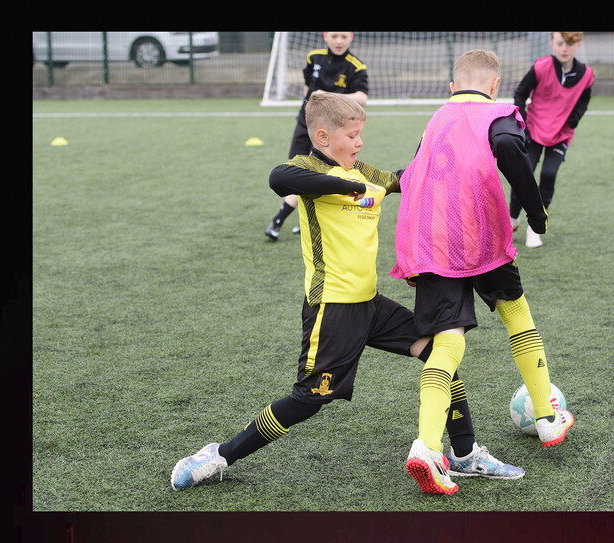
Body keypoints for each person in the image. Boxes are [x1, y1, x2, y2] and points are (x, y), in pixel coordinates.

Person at [171, 92, 524, 493]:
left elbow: (408, 177)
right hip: (333, 309)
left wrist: (450, 155)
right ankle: (218, 455)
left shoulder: (366, 174)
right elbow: (278, 178)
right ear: (323, 136)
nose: (360, 143)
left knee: (441, 354)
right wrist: (340, 186)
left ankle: (464, 454)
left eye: (361, 135)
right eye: (353, 136)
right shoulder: (308, 170)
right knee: (308, 399)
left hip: (371, 305)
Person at [391, 49, 575, 496]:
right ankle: (547, 418)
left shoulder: (436, 118)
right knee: (516, 315)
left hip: (431, 240)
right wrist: (536, 212)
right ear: (494, 86)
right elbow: (511, 147)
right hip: (481, 239)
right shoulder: (499, 113)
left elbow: (414, 171)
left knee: (448, 342)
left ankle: (426, 447)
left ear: (452, 88)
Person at [264, 31, 369, 241]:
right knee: (296, 168)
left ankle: (279, 219)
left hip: (332, 132)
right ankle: (302, 219)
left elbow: (362, 97)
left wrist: (327, 96)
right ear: (325, 36)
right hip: (305, 124)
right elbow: (307, 88)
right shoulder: (314, 57)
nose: (339, 41)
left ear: (352, 38)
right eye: (334, 36)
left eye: (344, 37)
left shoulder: (356, 66)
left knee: (321, 174)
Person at [509, 32, 594, 248]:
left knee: (548, 175)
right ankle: (512, 218)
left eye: (569, 44)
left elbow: (584, 98)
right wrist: (524, 124)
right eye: (560, 43)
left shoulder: (586, 75)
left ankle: (534, 228)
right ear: (552, 44)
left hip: (562, 134)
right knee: (524, 174)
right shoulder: (541, 67)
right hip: (534, 130)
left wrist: (574, 119)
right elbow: (520, 94)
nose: (564, 48)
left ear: (578, 46)